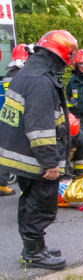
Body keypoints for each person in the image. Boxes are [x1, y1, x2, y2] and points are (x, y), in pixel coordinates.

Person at [0, 30, 78, 270]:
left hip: (20, 153)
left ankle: (35, 248)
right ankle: (34, 254)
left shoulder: (27, 73)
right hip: (35, 158)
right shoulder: (41, 81)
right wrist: (51, 163)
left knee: (30, 202)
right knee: (41, 205)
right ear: (62, 55)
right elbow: (40, 128)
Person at [0, 43, 30, 196]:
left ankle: (2, 183)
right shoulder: (23, 75)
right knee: (22, 151)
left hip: (8, 116)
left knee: (6, 149)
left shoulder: (8, 75)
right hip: (20, 117)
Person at [67, 113, 83, 178]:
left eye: (73, 137)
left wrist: (80, 180)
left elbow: (82, 163)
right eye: (69, 138)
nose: (71, 140)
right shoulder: (50, 140)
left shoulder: (82, 139)